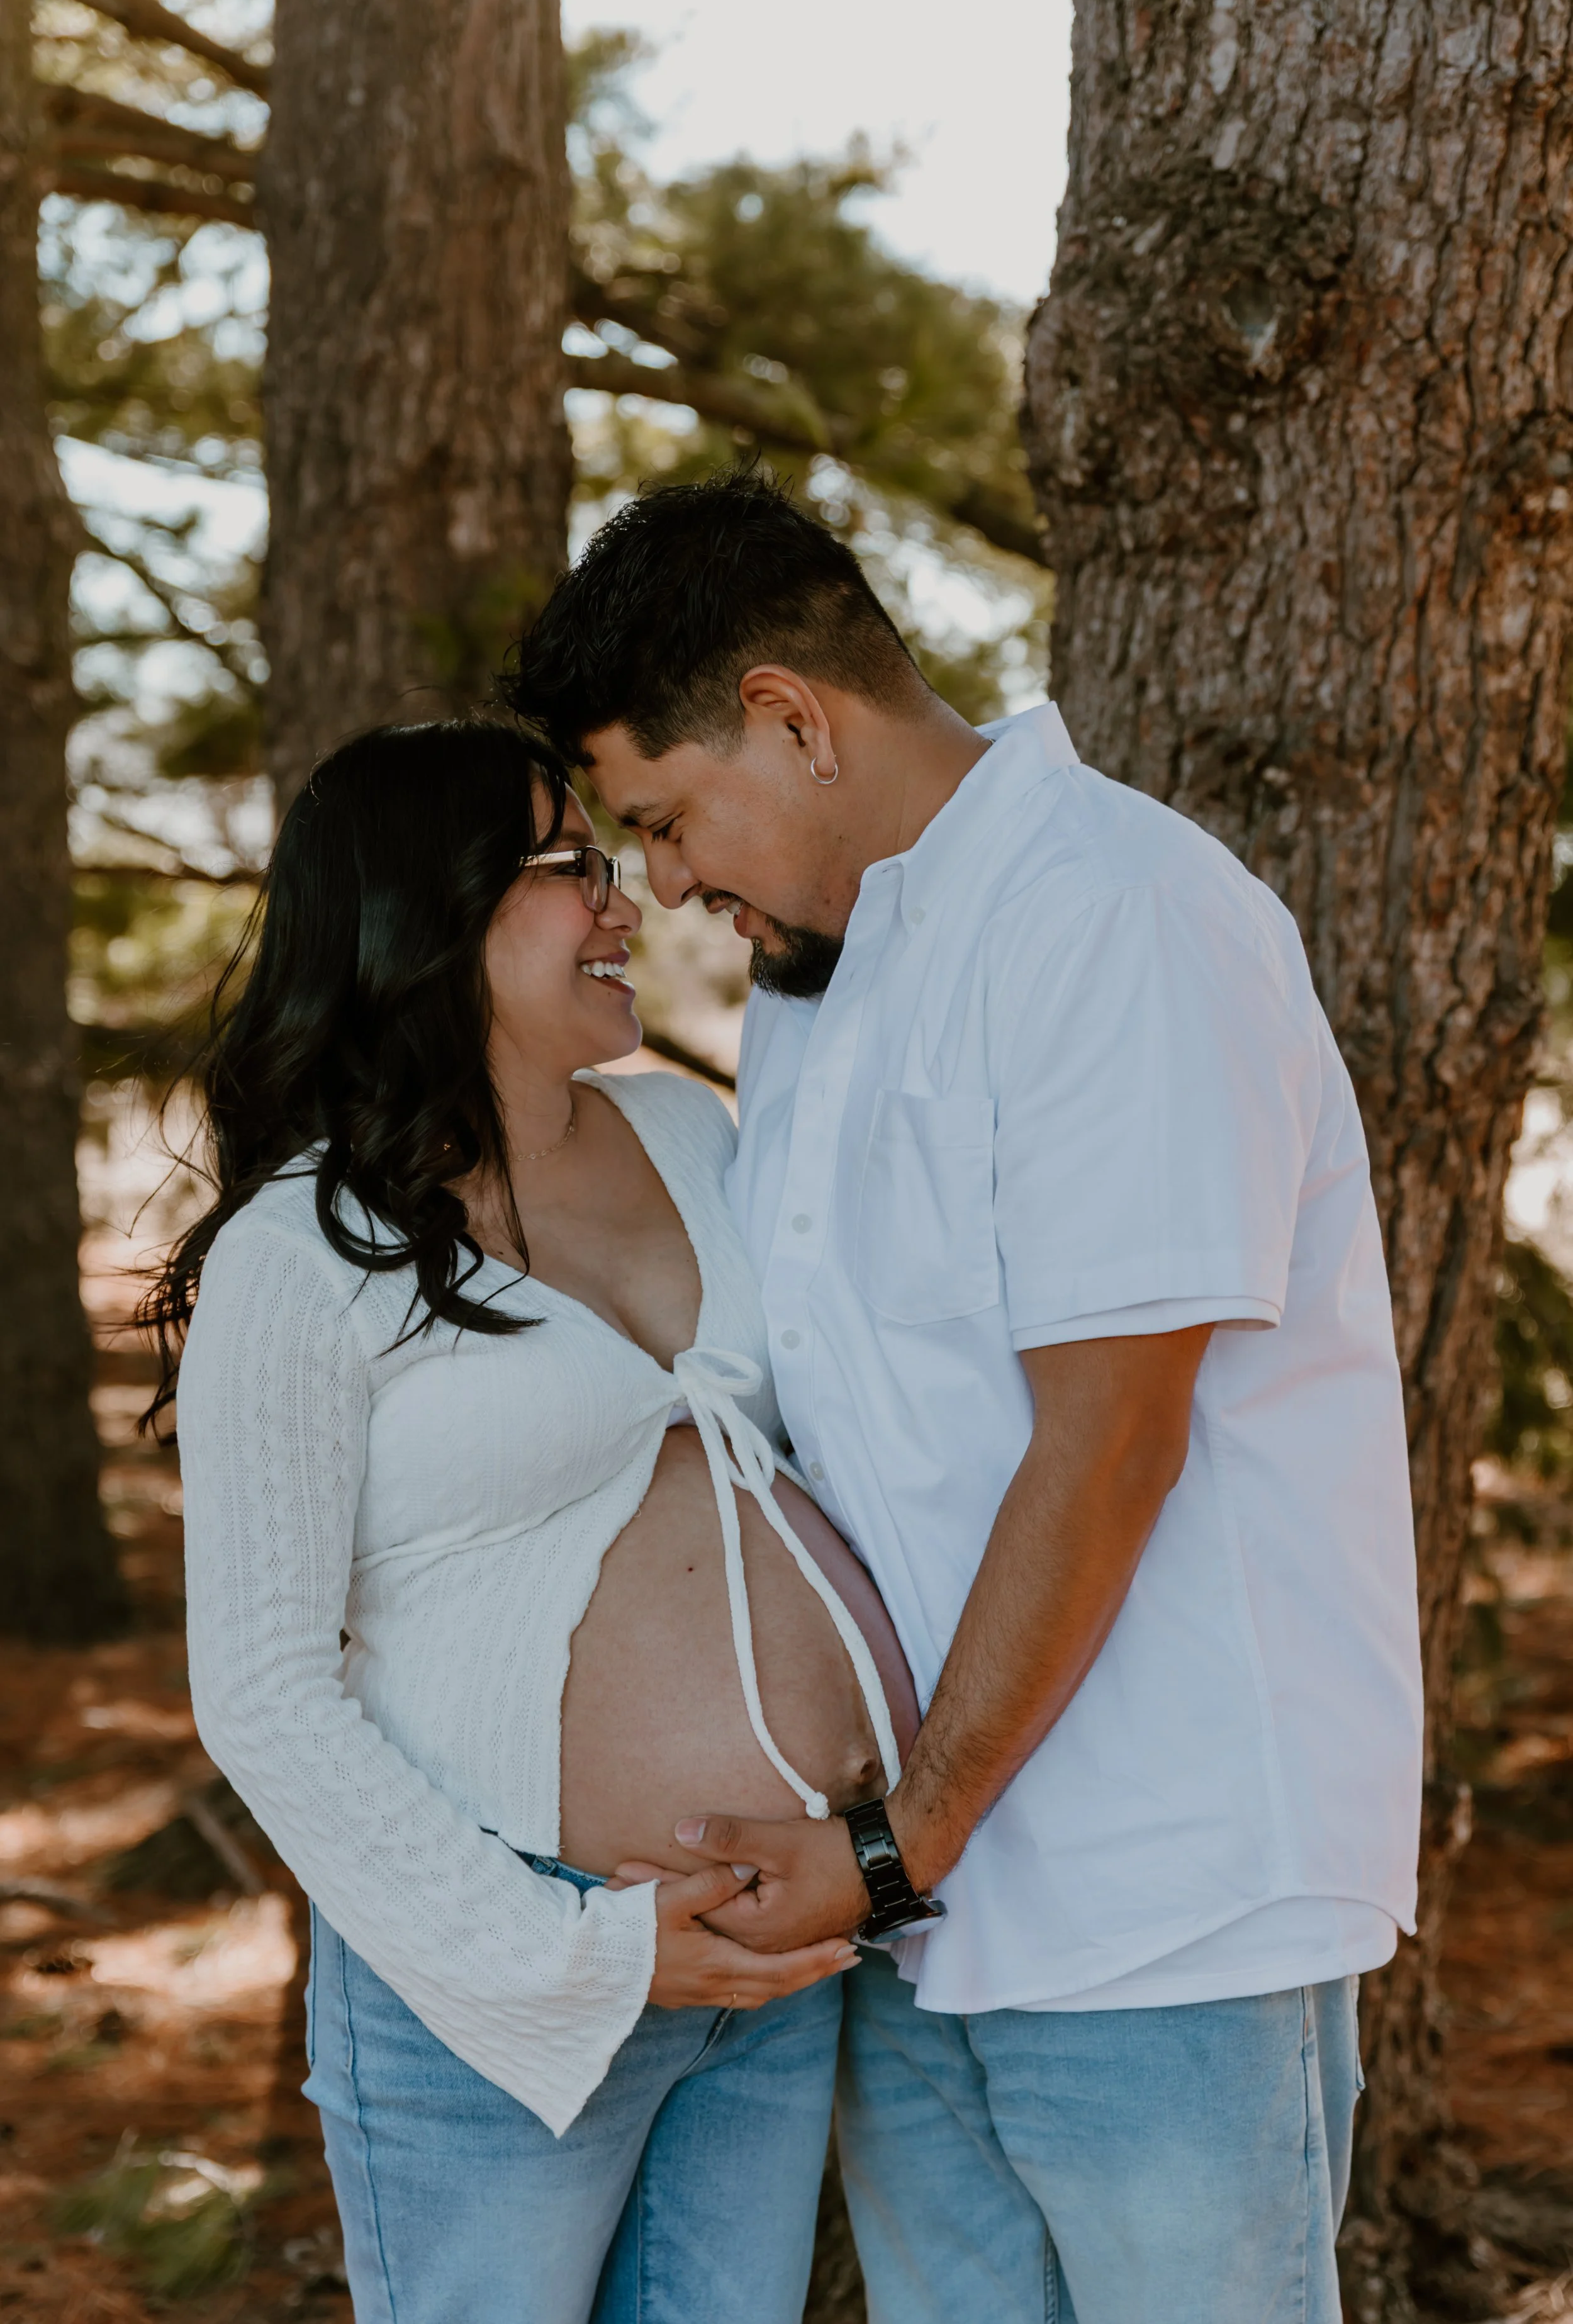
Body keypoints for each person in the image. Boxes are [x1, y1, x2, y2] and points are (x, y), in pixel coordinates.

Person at [505, 469, 1426, 2324]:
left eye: (667, 816)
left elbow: (1110, 1442)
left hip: (1162, 1902)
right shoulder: (819, 985)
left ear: (790, 715)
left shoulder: (1111, 917)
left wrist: (883, 1840)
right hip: (928, 1928)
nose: (664, 879)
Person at [145, 717, 919, 2324]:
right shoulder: (305, 1257)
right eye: (571, 866)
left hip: (773, 1961)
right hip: (493, 1989)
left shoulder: (692, 1136)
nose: (626, 898)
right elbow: (264, 1691)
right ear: (429, 918)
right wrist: (572, 1959)